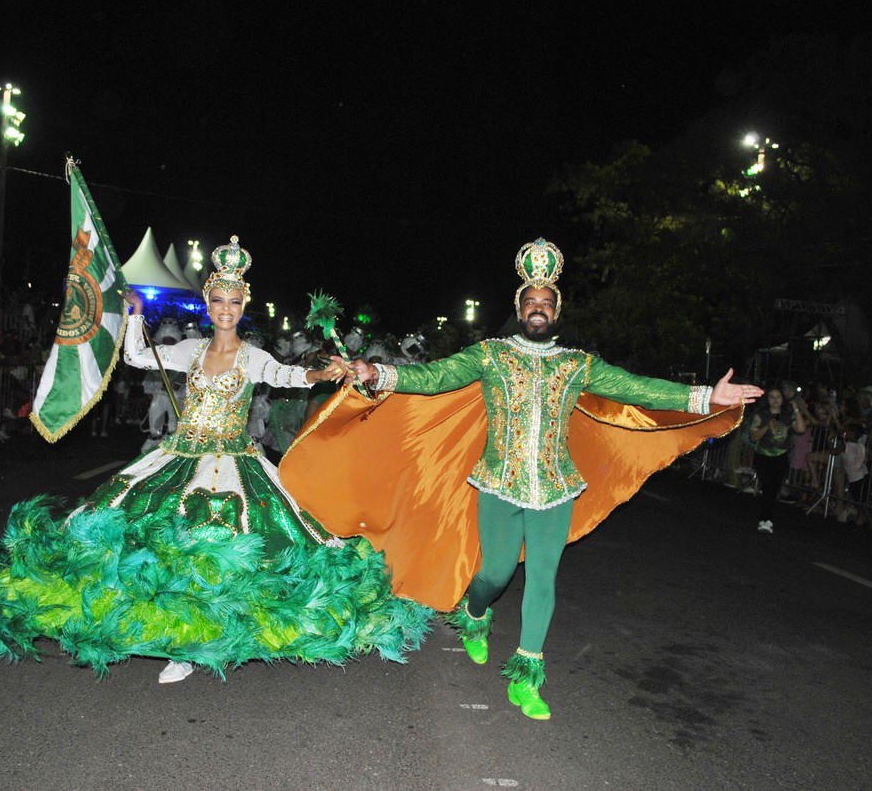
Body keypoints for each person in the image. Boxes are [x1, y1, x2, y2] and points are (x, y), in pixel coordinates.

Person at [280, 238, 761, 721]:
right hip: (498, 484)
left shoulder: (577, 364)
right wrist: (378, 373)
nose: (538, 309)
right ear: (519, 309)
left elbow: (637, 387)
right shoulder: (490, 355)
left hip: (556, 488)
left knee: (543, 576)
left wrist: (705, 396)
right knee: (497, 572)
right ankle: (474, 612)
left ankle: (527, 678)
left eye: (546, 303)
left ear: (556, 311)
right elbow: (433, 377)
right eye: (530, 302)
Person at [0, 236, 430, 681]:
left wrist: (323, 372)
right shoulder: (190, 348)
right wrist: (135, 313)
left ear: (243, 307)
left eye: (235, 302)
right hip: (177, 456)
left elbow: (289, 375)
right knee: (157, 547)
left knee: (219, 552)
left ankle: (199, 642)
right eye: (219, 301)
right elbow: (141, 358)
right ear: (208, 305)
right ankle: (174, 641)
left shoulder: (253, 356)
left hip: (234, 465)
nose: (226, 310)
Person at [749, 387, 807, 533]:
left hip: (780, 456)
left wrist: (796, 410)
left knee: (774, 488)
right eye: (772, 397)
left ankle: (767, 518)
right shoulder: (761, 415)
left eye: (778, 397)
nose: (775, 400)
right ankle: (765, 518)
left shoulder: (787, 415)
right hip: (763, 455)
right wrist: (767, 427)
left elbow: (801, 429)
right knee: (767, 486)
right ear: (767, 400)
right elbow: (753, 436)